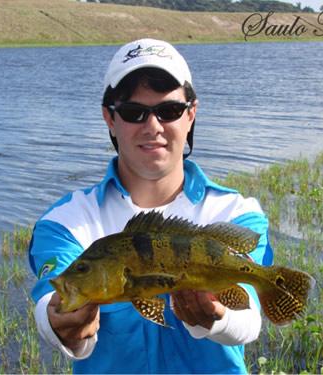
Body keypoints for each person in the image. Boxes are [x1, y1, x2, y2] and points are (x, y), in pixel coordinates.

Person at [28, 38, 273, 374]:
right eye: (133, 112)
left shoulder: (235, 211)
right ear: (109, 118)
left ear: (191, 115)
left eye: (169, 110)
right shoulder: (67, 222)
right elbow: (50, 297)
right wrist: (57, 323)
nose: (153, 126)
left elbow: (249, 320)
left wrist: (218, 318)